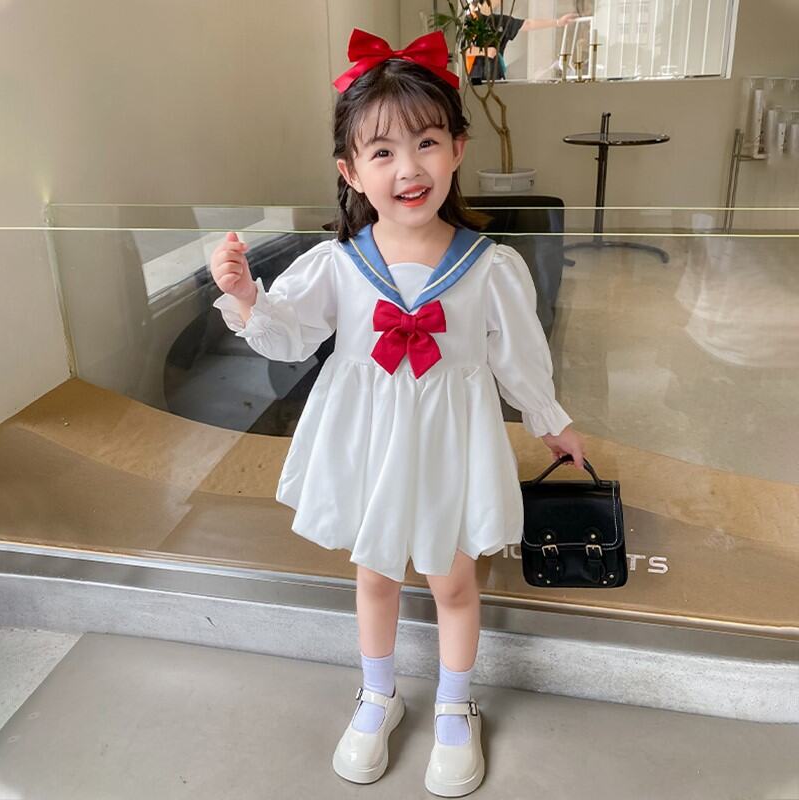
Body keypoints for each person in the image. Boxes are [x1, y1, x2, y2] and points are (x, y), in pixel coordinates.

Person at [209, 27, 586, 797]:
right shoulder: (339, 263)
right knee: (375, 575)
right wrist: (248, 297)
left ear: (457, 148)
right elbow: (289, 335)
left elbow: (518, 358)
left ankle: (454, 705)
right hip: (370, 446)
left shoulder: (490, 267)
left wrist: (550, 420)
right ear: (351, 171)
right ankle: (377, 696)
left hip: (450, 446)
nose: (408, 168)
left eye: (426, 142)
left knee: (453, 582)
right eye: (381, 152)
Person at [465, 1, 579, 82]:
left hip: (496, 75)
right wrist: (484, 51)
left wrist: (558, 22)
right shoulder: (470, 20)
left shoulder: (499, 20)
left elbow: (527, 24)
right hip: (476, 76)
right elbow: (463, 49)